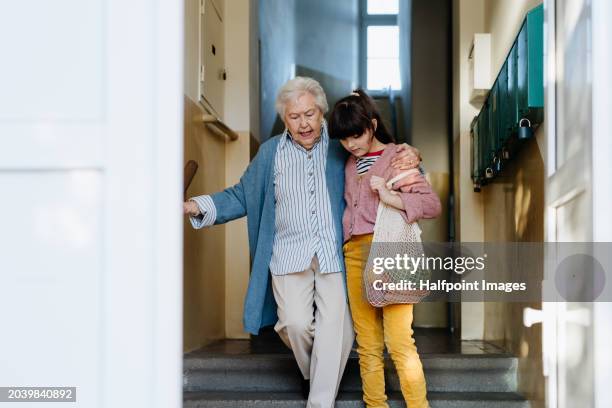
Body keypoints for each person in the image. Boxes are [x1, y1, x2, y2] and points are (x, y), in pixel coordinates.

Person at [183, 77, 421, 408]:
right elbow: (242, 195)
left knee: (336, 328)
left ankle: (319, 401)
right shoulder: (270, 153)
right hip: (288, 253)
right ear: (284, 119)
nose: (303, 123)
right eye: (294, 117)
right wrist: (197, 205)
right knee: (293, 324)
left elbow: (378, 152)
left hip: (334, 251)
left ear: (322, 112)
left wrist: (410, 151)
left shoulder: (341, 146)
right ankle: (317, 371)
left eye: (310, 114)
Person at [328, 89, 441, 408]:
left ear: (373, 125)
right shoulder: (349, 163)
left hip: (391, 251)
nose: (351, 144)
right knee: (367, 343)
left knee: (399, 340)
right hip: (354, 254)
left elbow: (431, 204)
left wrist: (392, 198)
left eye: (357, 135)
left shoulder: (398, 158)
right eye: (344, 138)